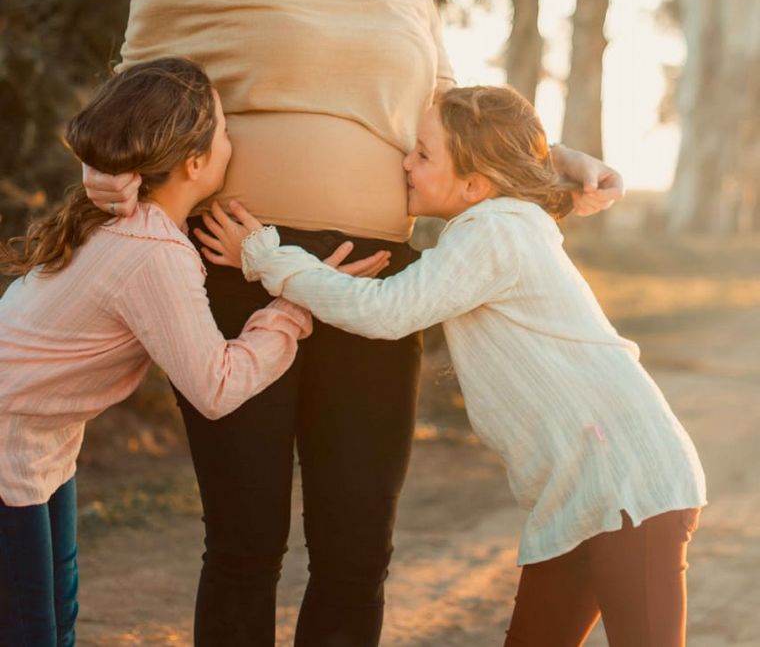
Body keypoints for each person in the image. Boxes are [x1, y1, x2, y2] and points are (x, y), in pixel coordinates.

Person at [82, 0, 624, 647]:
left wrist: (557, 160)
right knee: (246, 541)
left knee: (356, 545)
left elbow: (443, 101)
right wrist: (102, 175)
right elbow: (132, 97)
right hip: (234, 271)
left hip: (380, 282)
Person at [207, 84, 706, 647]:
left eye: (423, 153)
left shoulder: (496, 231)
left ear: (475, 185)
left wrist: (266, 256)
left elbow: (388, 311)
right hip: (579, 490)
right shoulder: (495, 226)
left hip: (627, 481)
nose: (405, 163)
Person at [0, 58, 378, 647]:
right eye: (225, 131)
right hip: (7, 442)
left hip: (36, 445)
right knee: (31, 635)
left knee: (51, 626)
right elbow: (216, 387)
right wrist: (299, 303)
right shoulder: (151, 249)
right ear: (195, 163)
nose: (234, 142)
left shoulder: (118, 217)